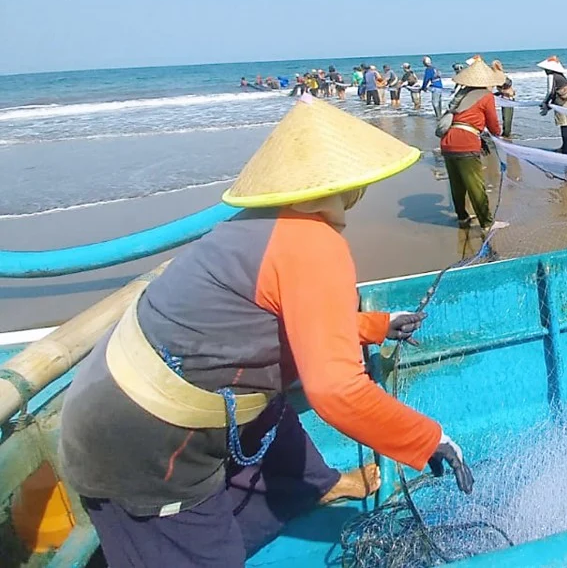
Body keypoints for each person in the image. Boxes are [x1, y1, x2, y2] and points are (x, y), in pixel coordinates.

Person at [59, 96, 473, 566]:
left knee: (274, 418)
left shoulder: (260, 225)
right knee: (200, 554)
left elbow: (290, 317)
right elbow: (337, 391)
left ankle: (315, 486)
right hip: (143, 437)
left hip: (118, 385)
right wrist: (428, 438)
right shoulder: (315, 247)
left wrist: (377, 326)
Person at [439, 61, 505, 231]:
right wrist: (497, 134)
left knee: (457, 183)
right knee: (476, 185)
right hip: (466, 142)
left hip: (447, 141)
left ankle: (462, 217)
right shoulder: (486, 96)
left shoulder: (461, 93)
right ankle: (487, 223)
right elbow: (493, 122)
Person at [537, 56, 567, 154]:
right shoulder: (560, 75)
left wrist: (545, 103)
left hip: (564, 101)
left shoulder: (551, 76)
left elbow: (550, 92)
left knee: (565, 124)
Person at [493, 60, 516, 138]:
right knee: (506, 118)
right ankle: (506, 133)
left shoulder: (501, 76)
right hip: (506, 97)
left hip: (508, 97)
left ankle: (506, 134)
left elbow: (506, 86)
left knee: (507, 118)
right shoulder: (500, 76)